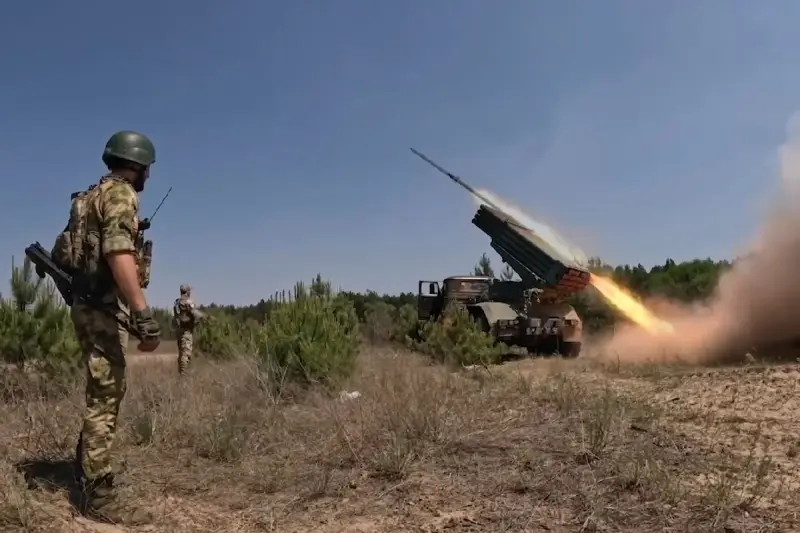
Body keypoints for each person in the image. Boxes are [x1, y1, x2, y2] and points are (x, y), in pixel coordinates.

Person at [53, 130, 162, 525]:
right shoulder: (119, 195)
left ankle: (86, 468)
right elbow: (118, 251)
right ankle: (96, 494)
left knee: (105, 388)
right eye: (147, 168)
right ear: (139, 165)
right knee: (106, 395)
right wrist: (142, 312)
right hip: (99, 305)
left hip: (86, 304)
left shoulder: (87, 197)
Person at [173, 284, 208, 374]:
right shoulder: (187, 302)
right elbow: (194, 312)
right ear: (187, 292)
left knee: (182, 353)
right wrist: (205, 317)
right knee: (186, 354)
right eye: (189, 291)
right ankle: (183, 375)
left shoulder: (177, 302)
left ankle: (181, 373)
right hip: (186, 331)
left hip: (179, 331)